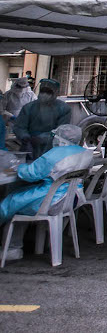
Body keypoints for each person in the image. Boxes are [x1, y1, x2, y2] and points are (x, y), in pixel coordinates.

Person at [0, 124, 93, 261]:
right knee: (19, 199)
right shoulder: (84, 152)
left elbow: (31, 174)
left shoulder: (54, 154)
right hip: (72, 199)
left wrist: (18, 166)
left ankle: (12, 249)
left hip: (51, 200)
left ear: (60, 138)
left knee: (12, 203)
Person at [13, 78, 71, 159]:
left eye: (48, 92)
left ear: (56, 93)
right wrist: (25, 137)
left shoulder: (63, 108)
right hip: (30, 146)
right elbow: (19, 127)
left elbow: (61, 131)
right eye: (43, 91)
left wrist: (43, 138)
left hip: (52, 147)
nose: (44, 94)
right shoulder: (29, 107)